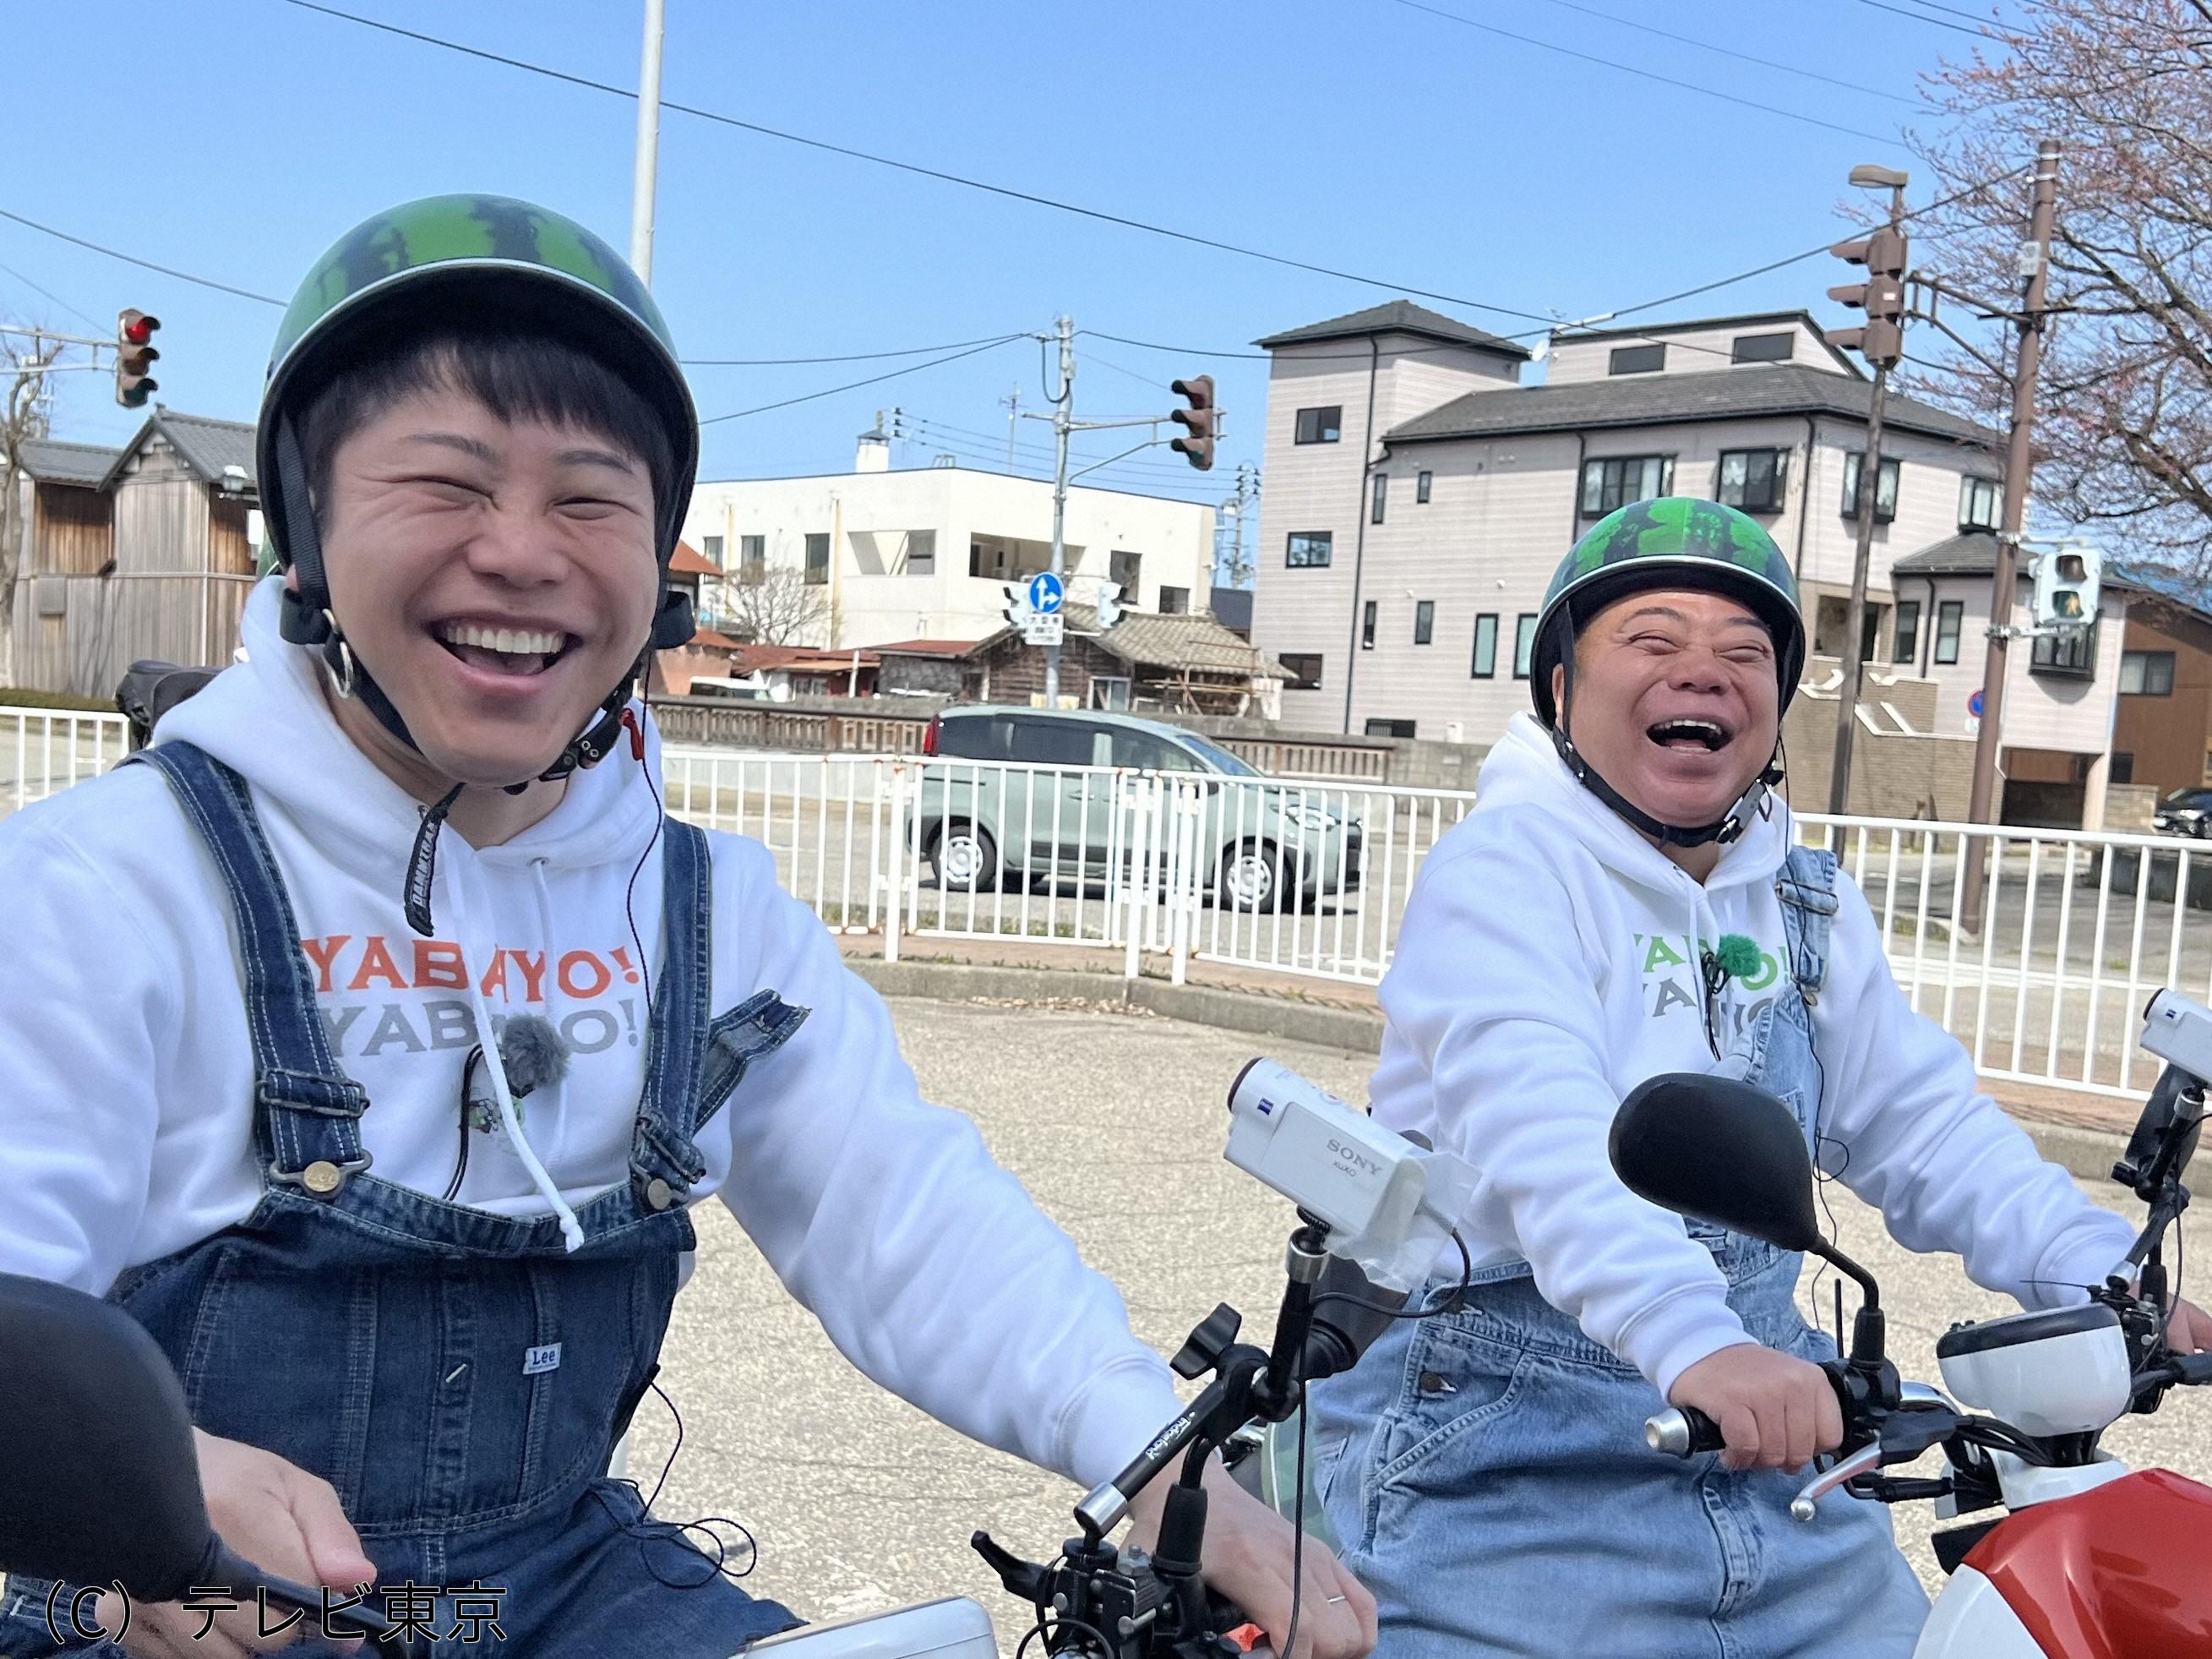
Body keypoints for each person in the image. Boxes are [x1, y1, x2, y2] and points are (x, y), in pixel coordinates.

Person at [0, 195, 1376, 1659]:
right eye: (446, 484)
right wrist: (153, 1508)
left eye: (591, 498)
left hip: (554, 1581)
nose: (523, 552)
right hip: (182, 1599)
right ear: (305, 532)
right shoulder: (111, 883)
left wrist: (1163, 1462)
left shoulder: (707, 909)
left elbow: (900, 1216)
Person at [1302, 497, 2211, 1656]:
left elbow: (1917, 1124)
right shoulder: (1502, 873)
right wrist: (1694, 1338)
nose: (1703, 672)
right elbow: (1540, 1131)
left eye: (1743, 653)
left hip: (1782, 1455)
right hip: (1502, 1467)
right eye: (1651, 640)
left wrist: (2092, 1270)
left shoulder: (1803, 900)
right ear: (1558, 692)